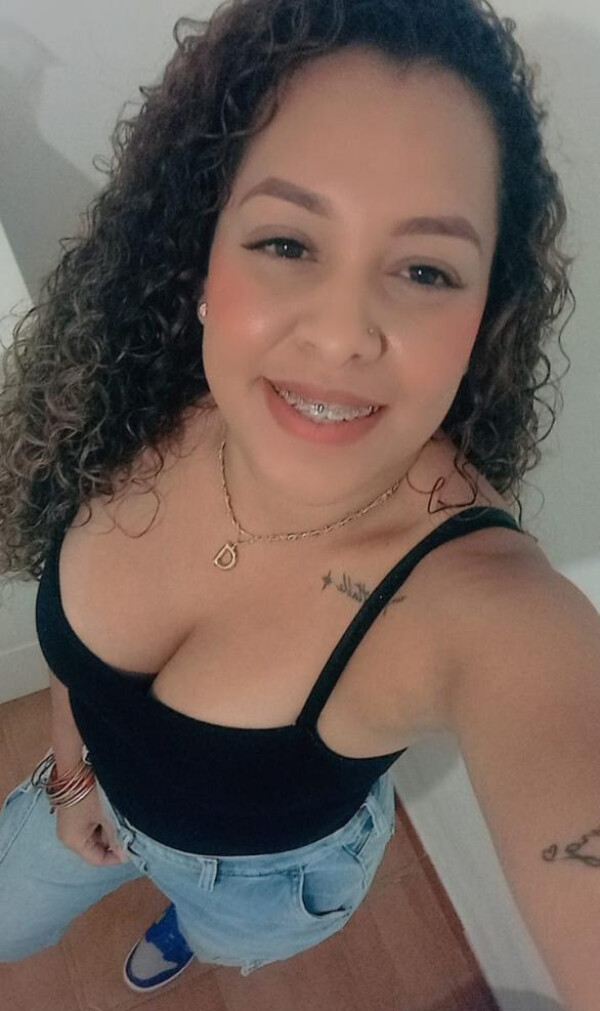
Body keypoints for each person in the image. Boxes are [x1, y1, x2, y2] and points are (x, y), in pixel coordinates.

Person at [1, 0, 599, 1006]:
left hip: (261, 886)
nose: (340, 333)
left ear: (485, 318)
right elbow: (78, 663)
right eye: (286, 242)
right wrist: (70, 773)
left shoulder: (488, 606)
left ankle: (191, 928)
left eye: (425, 269)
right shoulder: (126, 397)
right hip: (78, 785)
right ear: (202, 254)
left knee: (217, 933)